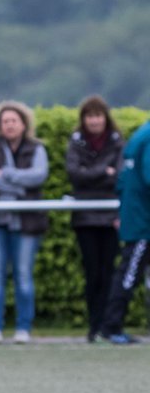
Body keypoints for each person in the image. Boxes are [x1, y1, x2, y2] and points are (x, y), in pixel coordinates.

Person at [0, 101, 49, 344]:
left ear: (24, 124)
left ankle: (23, 327)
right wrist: (20, 188)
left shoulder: (36, 148)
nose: (9, 125)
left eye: (14, 121)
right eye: (5, 121)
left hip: (26, 222)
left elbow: (38, 175)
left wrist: (6, 173)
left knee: (23, 274)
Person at [65, 95, 122, 343]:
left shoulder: (118, 142)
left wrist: (92, 173)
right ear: (84, 119)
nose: (94, 120)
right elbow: (75, 175)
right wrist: (103, 171)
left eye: (98, 115)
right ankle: (93, 325)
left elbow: (119, 176)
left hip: (110, 216)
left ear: (105, 117)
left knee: (109, 272)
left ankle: (107, 325)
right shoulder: (76, 142)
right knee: (92, 274)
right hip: (85, 217)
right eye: (90, 116)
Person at [97, 117, 150, 345]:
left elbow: (122, 180)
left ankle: (111, 326)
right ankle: (111, 327)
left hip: (136, 215)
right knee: (129, 275)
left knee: (129, 273)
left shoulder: (141, 133)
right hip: (143, 222)